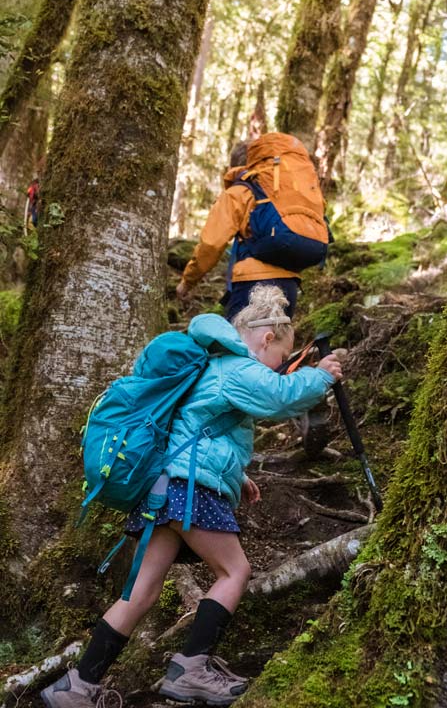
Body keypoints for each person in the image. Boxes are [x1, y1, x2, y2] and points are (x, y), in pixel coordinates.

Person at [41, 285, 342, 708]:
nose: (278, 368)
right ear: (267, 339)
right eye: (279, 360)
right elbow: (280, 397)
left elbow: (202, 432)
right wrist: (323, 374)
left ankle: (76, 686)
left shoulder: (214, 367)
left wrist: (236, 477)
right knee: (234, 571)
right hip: (188, 489)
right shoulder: (237, 367)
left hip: (164, 489)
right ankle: (190, 670)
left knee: (141, 593)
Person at [176, 132, 329, 322]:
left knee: (242, 348)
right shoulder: (281, 193)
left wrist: (187, 281)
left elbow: (211, 244)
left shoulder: (239, 192)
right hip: (289, 286)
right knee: (273, 347)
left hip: (251, 285)